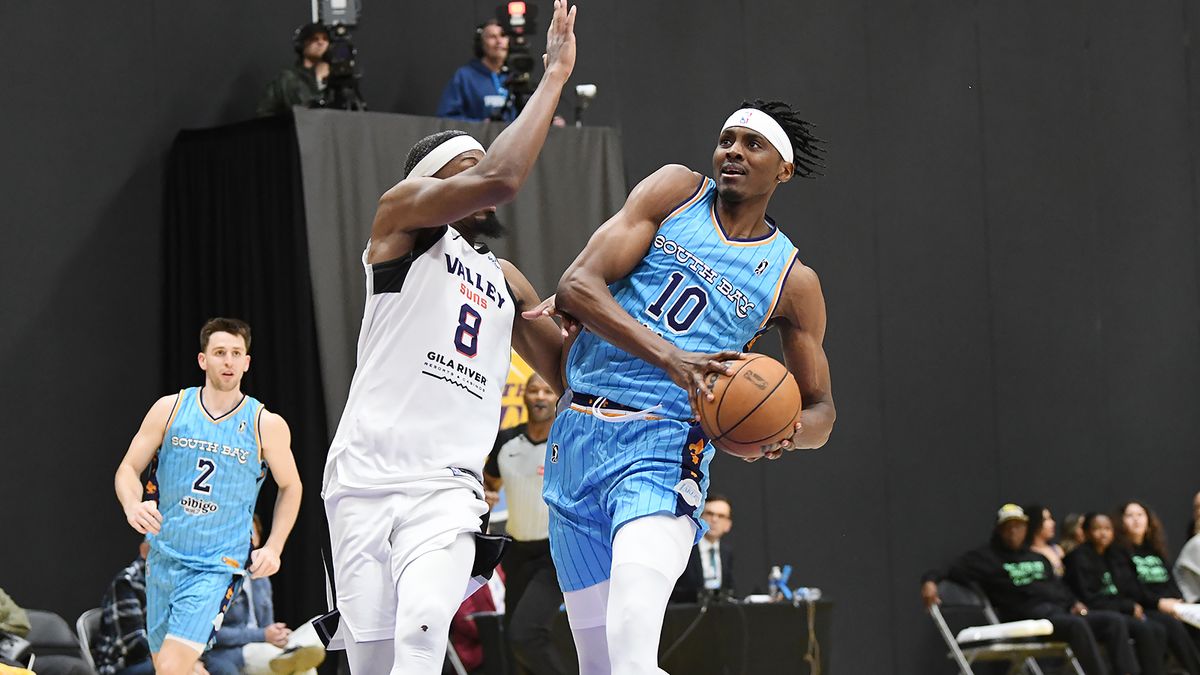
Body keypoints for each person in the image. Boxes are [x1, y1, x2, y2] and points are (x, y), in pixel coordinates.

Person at [526, 98, 836, 674]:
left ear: (784, 170)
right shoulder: (675, 190)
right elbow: (575, 286)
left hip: (664, 449)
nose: (733, 152)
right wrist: (675, 359)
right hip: (576, 438)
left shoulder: (793, 282)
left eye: (753, 144)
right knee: (597, 664)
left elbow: (820, 411)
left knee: (631, 646)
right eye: (727, 139)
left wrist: (783, 431)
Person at [321, 4, 577, 674]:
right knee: (373, 664)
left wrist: (590, 321)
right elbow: (503, 177)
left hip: (446, 488)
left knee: (420, 642)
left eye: (478, 162)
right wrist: (553, 75)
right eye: (464, 165)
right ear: (429, 181)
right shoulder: (398, 220)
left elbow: (574, 375)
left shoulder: (506, 279)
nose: (480, 172)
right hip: (363, 478)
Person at [113, 318, 303, 675]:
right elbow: (127, 469)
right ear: (203, 360)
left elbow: (292, 486)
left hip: (215, 566)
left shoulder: (265, 424)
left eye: (236, 353)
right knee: (172, 669)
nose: (228, 361)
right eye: (219, 353)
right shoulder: (170, 409)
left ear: (247, 362)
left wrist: (274, 546)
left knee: (171, 666)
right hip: (163, 557)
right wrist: (132, 504)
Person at [921, 504, 1137, 675]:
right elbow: (948, 570)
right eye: (1009, 526)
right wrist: (930, 581)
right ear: (999, 530)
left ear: (1026, 528)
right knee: (1076, 625)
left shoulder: (1037, 557)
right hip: (1027, 617)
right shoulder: (986, 558)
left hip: (1060, 614)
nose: (1014, 530)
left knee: (1113, 621)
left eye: (1019, 525)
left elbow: (1059, 587)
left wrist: (1074, 603)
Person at [482, 373, 568, 675]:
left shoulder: (565, 440)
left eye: (547, 391)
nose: (541, 397)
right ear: (524, 395)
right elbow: (489, 483)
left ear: (556, 396)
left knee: (526, 634)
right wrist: (486, 494)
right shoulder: (505, 440)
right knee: (511, 640)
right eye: (534, 390)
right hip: (516, 553)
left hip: (554, 555)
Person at [203, 516, 325, 675]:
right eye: (242, 531)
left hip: (264, 646)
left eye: (252, 532)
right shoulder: (218, 577)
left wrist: (277, 636)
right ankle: (291, 652)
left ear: (259, 538)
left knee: (317, 626)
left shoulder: (262, 577)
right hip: (236, 651)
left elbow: (267, 624)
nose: (248, 537)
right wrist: (263, 635)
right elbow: (211, 633)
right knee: (305, 670)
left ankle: (292, 649)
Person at [1063, 512, 1167, 675]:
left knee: (1157, 628)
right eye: (1097, 528)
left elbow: (1125, 590)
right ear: (1086, 532)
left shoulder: (1114, 556)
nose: (1103, 533)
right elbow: (1088, 599)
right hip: (1096, 612)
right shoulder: (1077, 558)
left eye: (1107, 528)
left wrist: (1131, 605)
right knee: (1134, 627)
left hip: (1117, 609)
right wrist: (1126, 606)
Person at [1114, 500, 1200, 672]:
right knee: (1170, 626)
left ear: (1148, 520)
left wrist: (1177, 601)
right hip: (1148, 608)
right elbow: (1130, 587)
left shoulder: (1154, 549)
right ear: (1121, 522)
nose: (1136, 520)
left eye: (1140, 515)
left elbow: (1170, 580)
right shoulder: (1118, 552)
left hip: (1173, 605)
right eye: (1130, 515)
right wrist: (1159, 603)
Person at [436, 19, 514, 122]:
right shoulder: (464, 77)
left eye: (503, 35)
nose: (499, 41)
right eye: (492, 37)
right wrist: (480, 126)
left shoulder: (513, 78)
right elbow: (445, 118)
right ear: (481, 44)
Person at [95, 539, 153, 675]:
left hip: (157, 657)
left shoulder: (170, 583)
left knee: (212, 662)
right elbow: (135, 645)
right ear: (144, 550)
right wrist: (178, 658)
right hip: (121, 665)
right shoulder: (127, 582)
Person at [671, 494, 735, 603]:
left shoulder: (727, 553)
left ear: (728, 525)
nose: (714, 520)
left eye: (721, 516)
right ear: (700, 517)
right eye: (710, 514)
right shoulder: (686, 548)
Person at [256, 23, 330, 116]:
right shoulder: (287, 79)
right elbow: (264, 112)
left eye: (325, 39)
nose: (321, 42)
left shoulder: (340, 78)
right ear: (301, 44)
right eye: (314, 39)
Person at [1025, 504, 1066, 577]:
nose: (1052, 523)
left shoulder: (1057, 550)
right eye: (1046, 519)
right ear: (1035, 523)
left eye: (1051, 518)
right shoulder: (1025, 553)